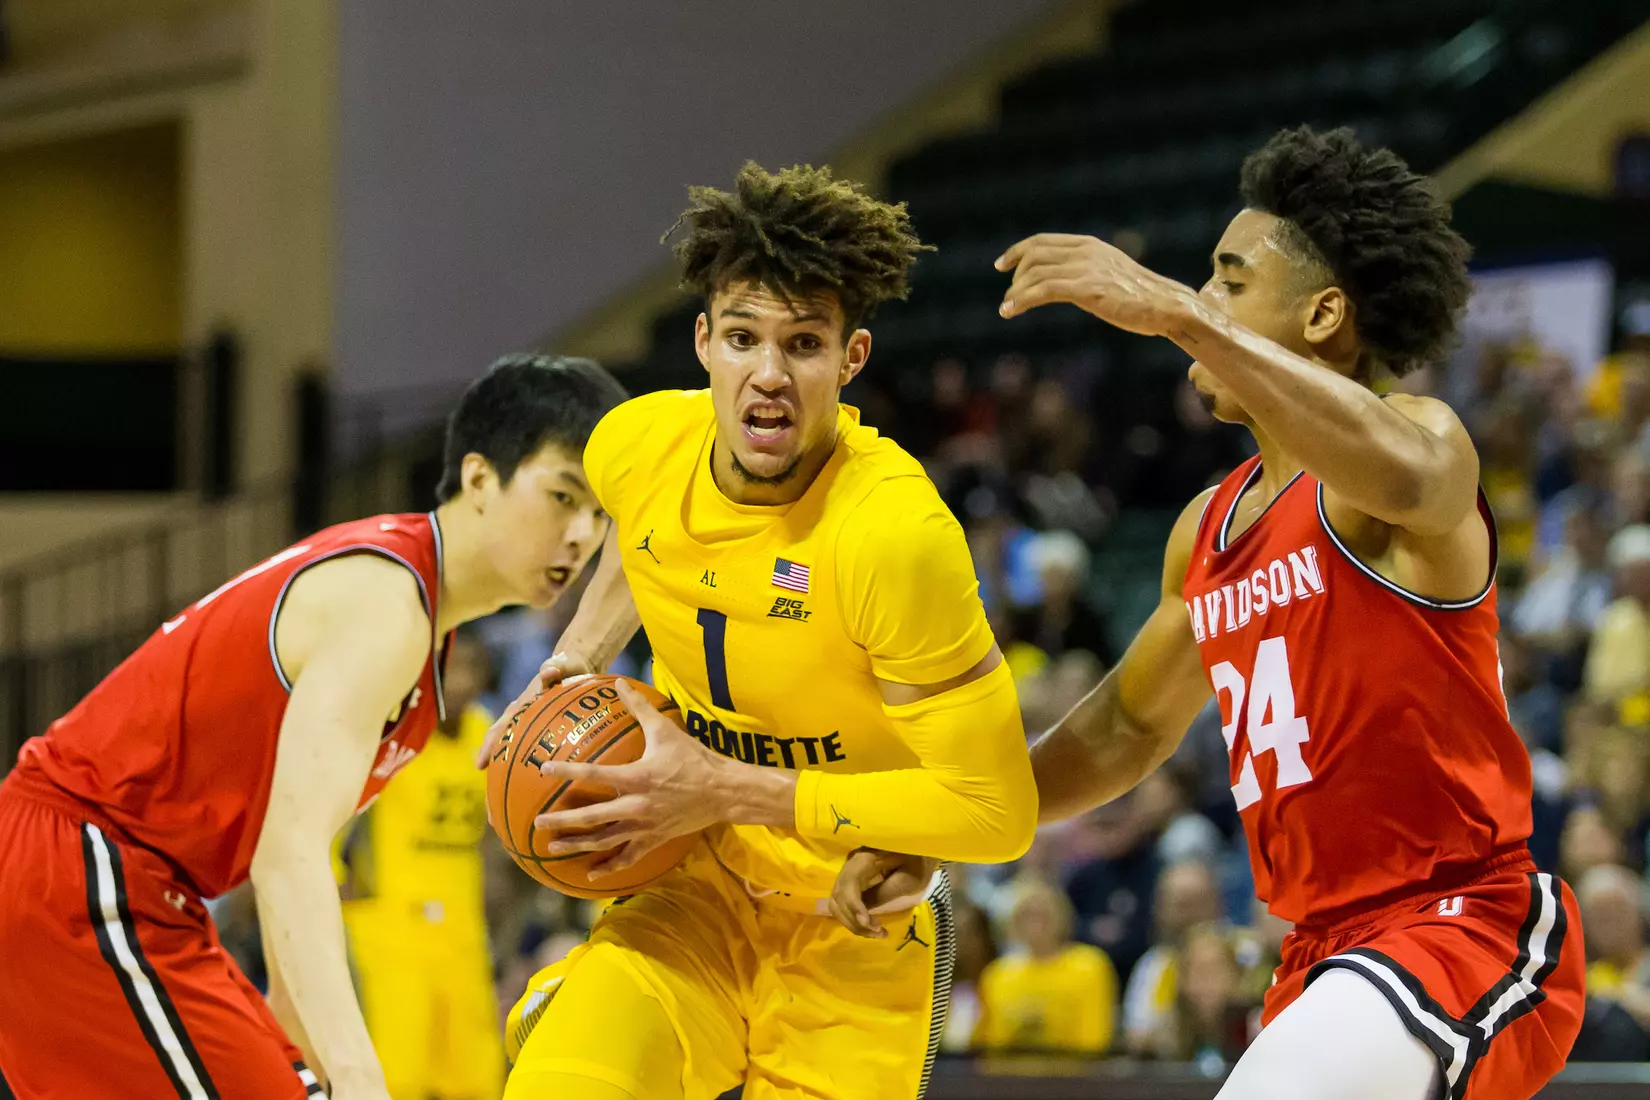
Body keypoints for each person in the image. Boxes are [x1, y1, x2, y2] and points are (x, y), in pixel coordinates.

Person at [839, 126, 1585, 1100]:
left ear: (1323, 314)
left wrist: (1176, 314)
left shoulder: (1413, 443)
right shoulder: (1210, 526)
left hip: (1457, 922)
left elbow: (1411, 477)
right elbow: (1126, 726)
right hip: (1318, 950)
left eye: (1229, 282)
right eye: (1203, 285)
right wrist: (951, 827)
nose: (1201, 299)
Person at [490, 163, 1036, 1100]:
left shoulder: (894, 538)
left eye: (805, 344)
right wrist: (578, 654)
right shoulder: (634, 444)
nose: (770, 375)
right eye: (743, 338)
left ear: (852, 357)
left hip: (856, 914)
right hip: (689, 888)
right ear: (704, 342)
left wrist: (718, 787)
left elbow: (998, 813)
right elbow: (638, 535)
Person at [0, 355, 626, 1100]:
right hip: (83, 867)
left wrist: (298, 1051)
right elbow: (287, 856)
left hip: (131, 889)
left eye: (599, 516)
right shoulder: (386, 604)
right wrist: (358, 1076)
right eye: (563, 496)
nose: (581, 535)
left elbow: (302, 866)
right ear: (480, 478)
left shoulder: (423, 642)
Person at [340, 631, 506, 1099]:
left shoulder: (486, 732)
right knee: (400, 1075)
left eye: (471, 669)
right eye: (451, 669)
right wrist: (334, 877)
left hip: (462, 926)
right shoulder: (393, 735)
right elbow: (333, 809)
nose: (461, 681)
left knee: (477, 1077)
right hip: (393, 924)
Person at [974, 877, 1117, 1055]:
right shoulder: (998, 975)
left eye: (1043, 914)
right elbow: (990, 1043)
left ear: (1061, 916)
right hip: (1012, 1070)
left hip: (1071, 1069)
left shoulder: (1089, 966)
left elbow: (1094, 1041)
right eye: (1027, 915)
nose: (1035, 923)